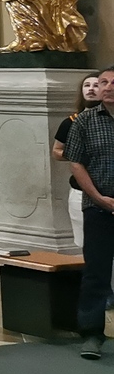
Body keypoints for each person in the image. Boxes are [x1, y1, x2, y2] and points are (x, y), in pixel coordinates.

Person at [62, 65, 114, 359]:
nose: (107, 87)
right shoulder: (84, 121)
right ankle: (92, 333)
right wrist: (99, 198)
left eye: (113, 82)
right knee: (96, 272)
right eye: (103, 82)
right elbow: (76, 162)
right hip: (98, 207)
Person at [53, 74, 102, 249]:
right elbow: (56, 151)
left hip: (107, 186)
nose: (91, 89)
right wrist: (78, 154)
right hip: (82, 189)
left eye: (96, 85)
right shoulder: (72, 122)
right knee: (85, 243)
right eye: (87, 85)